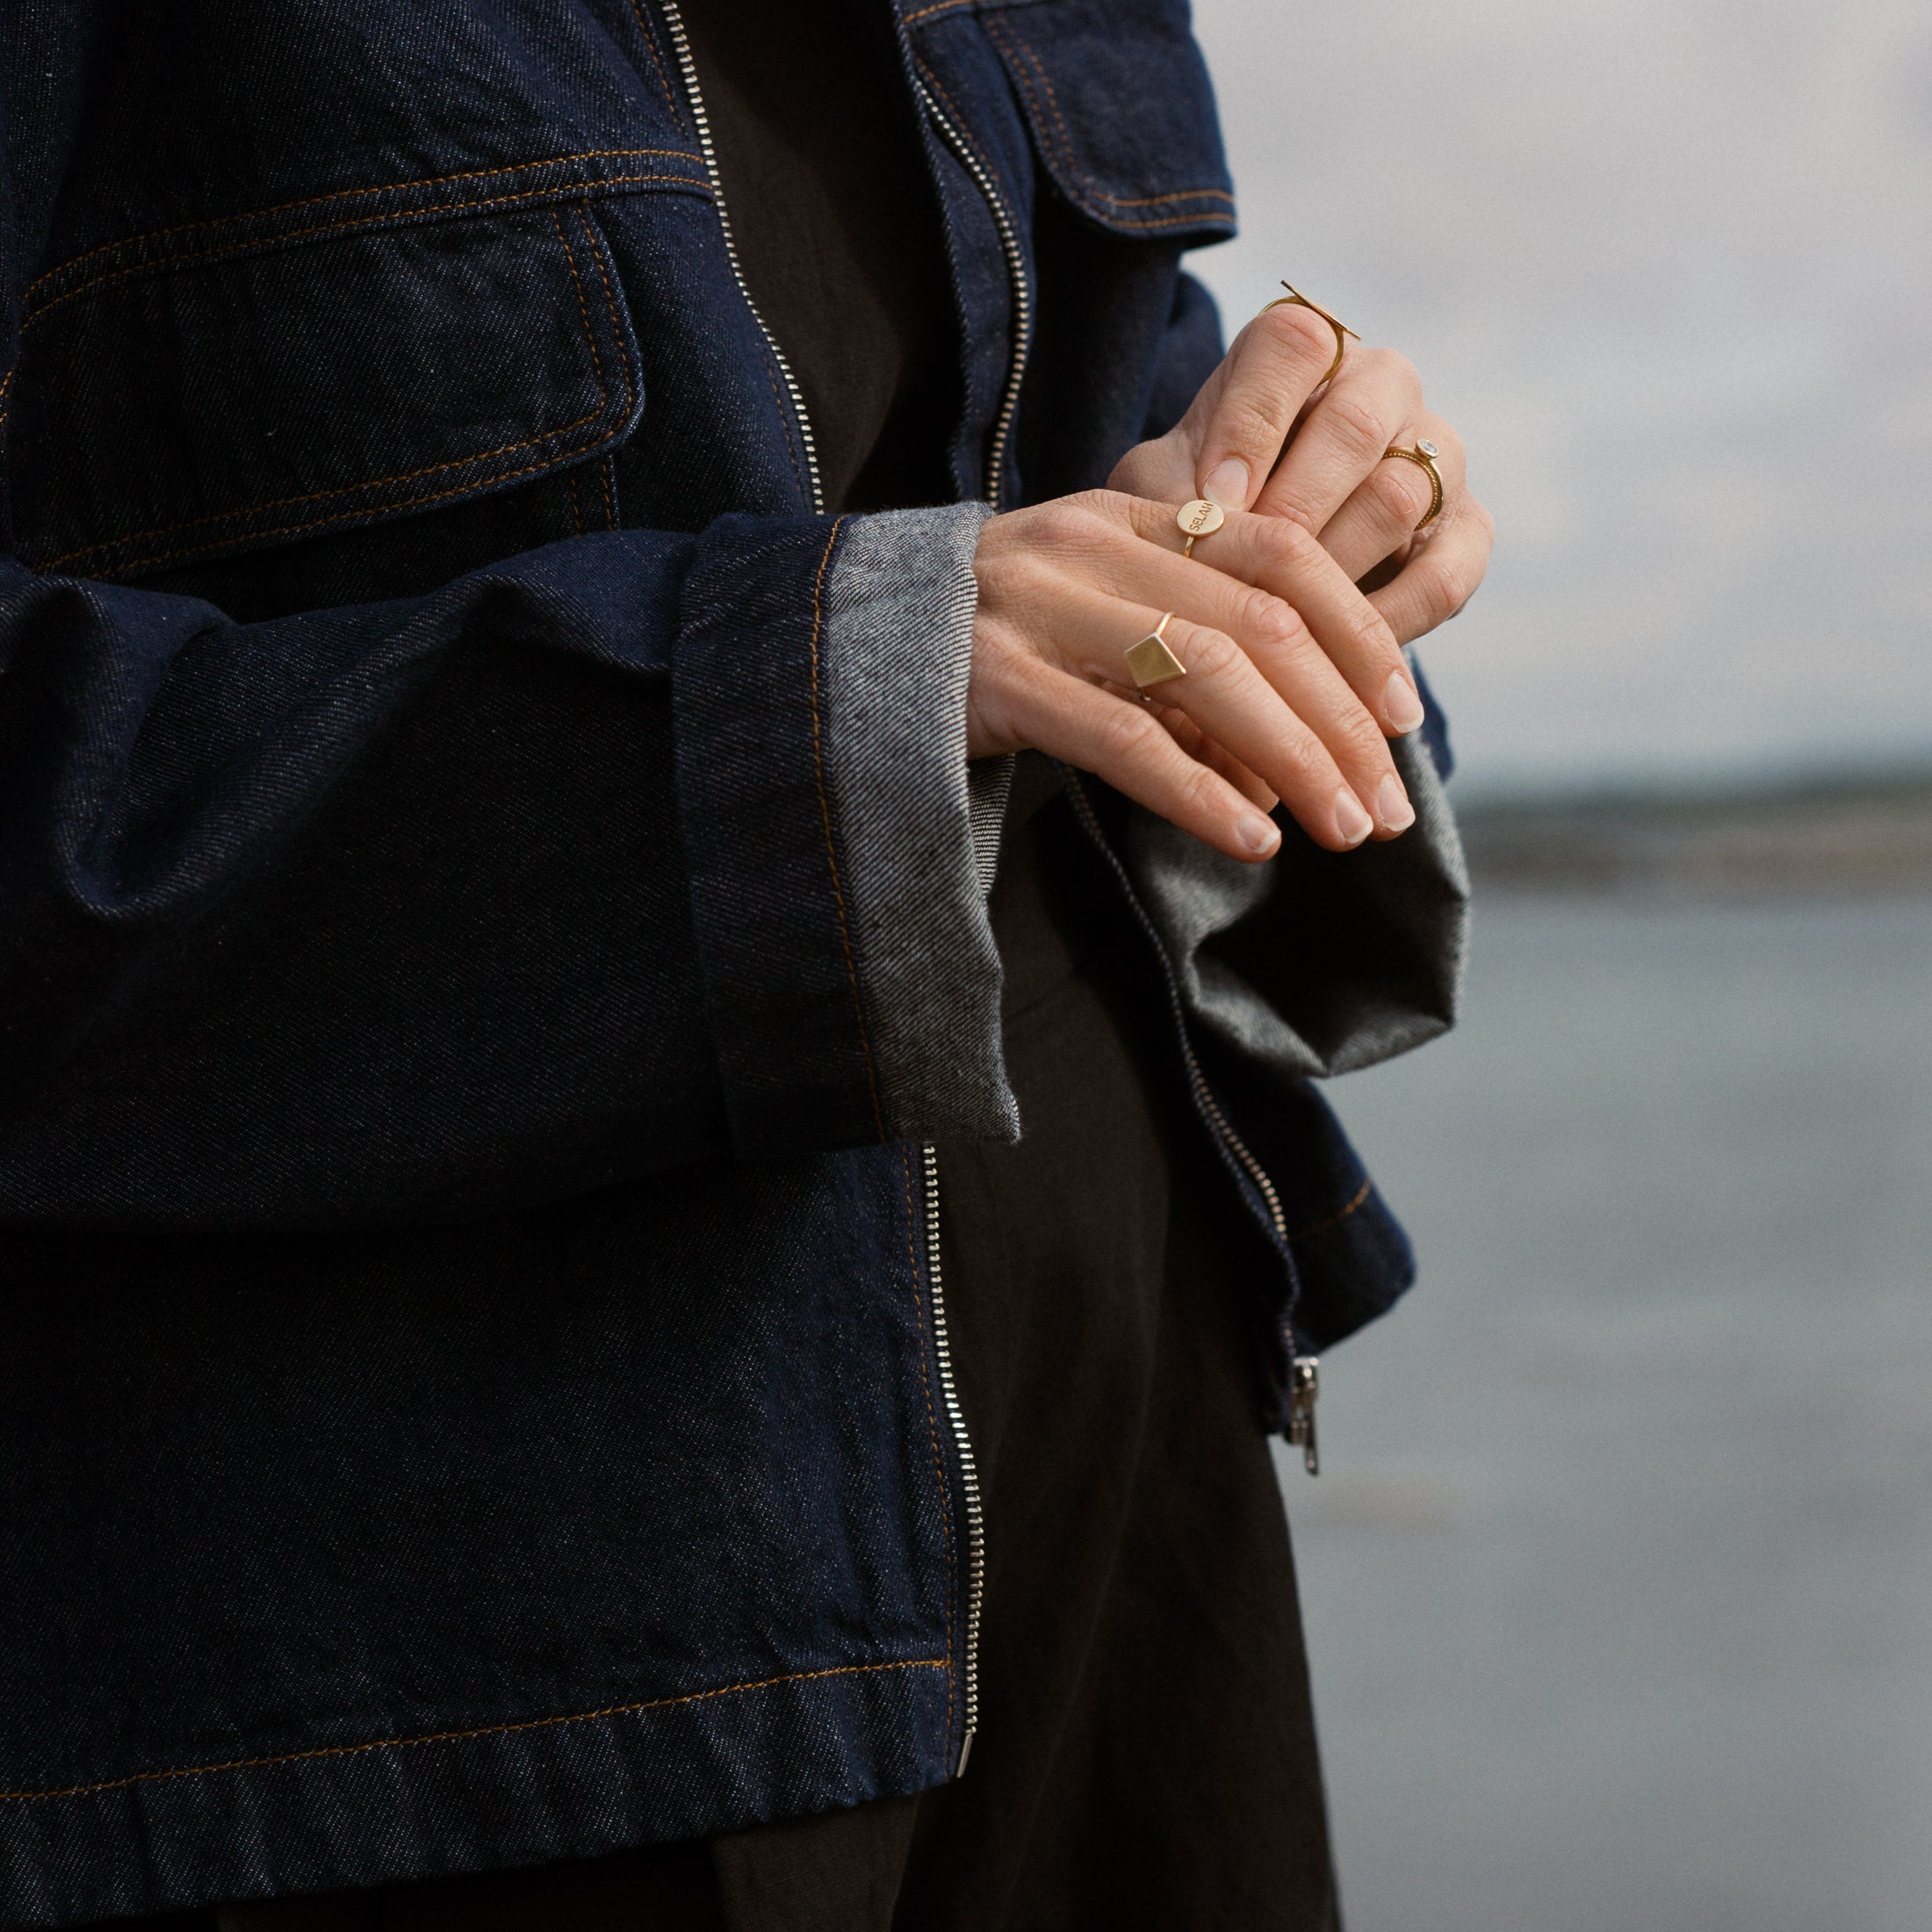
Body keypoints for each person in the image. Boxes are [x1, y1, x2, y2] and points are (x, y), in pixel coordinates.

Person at [0, 0, 1492, 1926]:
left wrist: (1320, 557)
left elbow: (1101, 562)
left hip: (1135, 1547)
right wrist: (809, 694)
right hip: (451, 1710)